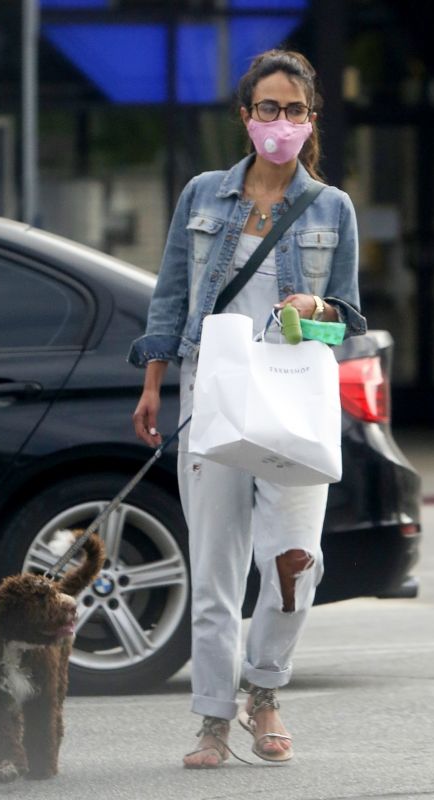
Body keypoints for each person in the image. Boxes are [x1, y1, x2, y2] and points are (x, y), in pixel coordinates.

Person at [128, 48, 366, 767]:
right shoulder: (204, 195)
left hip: (293, 394)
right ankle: (212, 718)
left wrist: (316, 302)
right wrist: (152, 384)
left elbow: (349, 317)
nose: (281, 121)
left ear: (310, 119)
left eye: (295, 110)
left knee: (296, 563)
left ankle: (263, 688)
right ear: (246, 115)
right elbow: (170, 295)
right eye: (268, 107)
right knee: (216, 564)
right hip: (215, 392)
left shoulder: (332, 207)